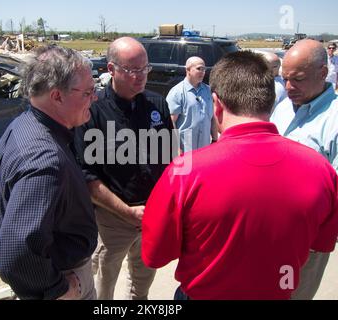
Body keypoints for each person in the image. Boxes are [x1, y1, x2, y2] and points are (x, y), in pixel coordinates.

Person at [142, 51, 338, 300]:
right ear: (271, 100)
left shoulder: (185, 172)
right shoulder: (322, 171)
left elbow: (155, 254)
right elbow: (320, 245)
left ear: (216, 104)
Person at [0, 45, 98, 300]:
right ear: (57, 96)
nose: (96, 98)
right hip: (65, 277)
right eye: (89, 92)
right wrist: (57, 289)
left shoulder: (24, 124)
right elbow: (15, 255)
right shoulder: (45, 160)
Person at [74, 37, 174, 300]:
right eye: (131, 70)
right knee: (105, 279)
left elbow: (169, 159)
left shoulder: (157, 104)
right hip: (113, 218)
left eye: (144, 69)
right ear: (111, 68)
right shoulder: (92, 110)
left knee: (143, 278)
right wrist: (126, 211)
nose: (140, 77)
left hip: (153, 214)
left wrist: (165, 205)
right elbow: (86, 175)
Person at [271, 39, 338, 299]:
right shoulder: (284, 107)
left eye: (297, 79)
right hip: (268, 231)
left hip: (307, 240)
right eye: (284, 78)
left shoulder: (334, 119)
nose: (288, 87)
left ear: (323, 73)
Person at [166, 56, 218, 153]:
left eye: (204, 69)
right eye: (199, 68)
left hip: (204, 148)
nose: (202, 72)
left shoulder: (208, 90)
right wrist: (176, 147)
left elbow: (212, 117)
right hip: (186, 149)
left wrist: (215, 139)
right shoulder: (177, 92)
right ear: (188, 70)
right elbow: (171, 122)